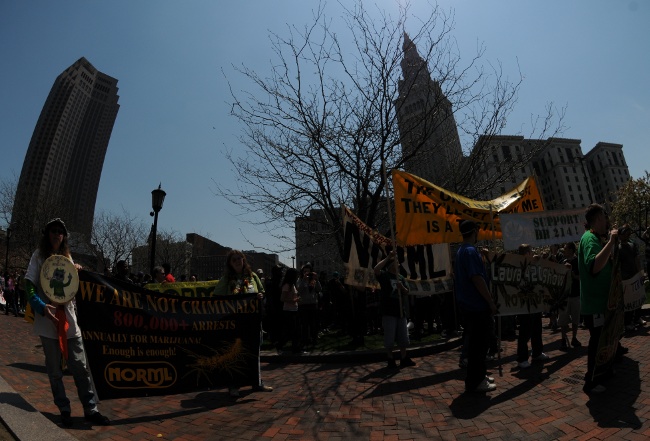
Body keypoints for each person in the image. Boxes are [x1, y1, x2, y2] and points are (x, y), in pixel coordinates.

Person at [24, 218, 109, 427]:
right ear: (47, 234)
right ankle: (64, 409)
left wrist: (76, 269)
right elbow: (28, 283)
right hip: (47, 321)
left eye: (60, 231)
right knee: (54, 371)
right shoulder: (39, 255)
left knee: (80, 367)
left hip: (69, 321)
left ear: (64, 237)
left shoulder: (67, 257)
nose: (56, 234)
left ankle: (91, 409)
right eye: (53, 231)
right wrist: (41, 306)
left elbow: (72, 285)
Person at [213, 249, 273, 397]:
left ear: (244, 260)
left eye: (240, 258)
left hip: (253, 320)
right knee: (236, 351)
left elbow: (262, 292)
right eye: (234, 259)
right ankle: (234, 385)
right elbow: (216, 296)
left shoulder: (252, 276)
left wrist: (259, 295)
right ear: (230, 263)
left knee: (254, 350)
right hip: (236, 321)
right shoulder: (227, 279)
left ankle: (256, 382)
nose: (238, 261)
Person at [578, 204, 618, 395]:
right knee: (596, 342)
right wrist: (610, 243)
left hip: (602, 303)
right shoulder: (589, 238)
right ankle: (591, 381)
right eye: (604, 216)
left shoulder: (595, 238)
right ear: (598, 218)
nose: (607, 220)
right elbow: (594, 266)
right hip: (594, 305)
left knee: (604, 339)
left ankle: (603, 372)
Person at [454, 220, 497, 392]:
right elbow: (477, 279)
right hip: (476, 306)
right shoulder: (470, 251)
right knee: (479, 344)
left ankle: (479, 374)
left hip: (468, 306)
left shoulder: (461, 250)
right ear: (474, 231)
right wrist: (490, 301)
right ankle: (476, 381)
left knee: (476, 344)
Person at [374, 250, 416, 369]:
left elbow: (407, 291)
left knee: (403, 336)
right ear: (391, 265)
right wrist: (388, 257)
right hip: (388, 311)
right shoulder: (385, 275)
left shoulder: (401, 277)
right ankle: (390, 359)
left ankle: (404, 358)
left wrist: (401, 287)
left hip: (400, 311)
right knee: (390, 336)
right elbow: (376, 270)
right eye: (396, 263)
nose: (398, 264)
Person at [516, 244, 549, 369]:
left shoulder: (533, 263)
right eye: (530, 252)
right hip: (525, 304)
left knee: (536, 329)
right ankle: (522, 358)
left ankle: (537, 352)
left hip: (535, 303)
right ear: (526, 253)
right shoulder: (518, 264)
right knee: (525, 331)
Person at [618, 225, 644, 330]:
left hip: (634, 275)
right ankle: (628, 322)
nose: (626, 234)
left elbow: (636, 259)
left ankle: (637, 317)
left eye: (627, 232)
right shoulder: (618, 248)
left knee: (637, 297)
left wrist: (640, 273)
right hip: (625, 278)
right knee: (628, 301)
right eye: (624, 232)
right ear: (619, 235)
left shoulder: (632, 245)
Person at [559, 242, 582, 349]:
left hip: (575, 294)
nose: (564, 250)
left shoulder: (577, 261)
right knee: (563, 318)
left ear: (571, 250)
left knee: (575, 318)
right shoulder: (562, 261)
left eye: (566, 249)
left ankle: (574, 337)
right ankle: (563, 339)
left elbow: (579, 277)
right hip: (565, 295)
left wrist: (571, 271)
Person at [276, 267, 301, 354]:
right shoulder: (287, 285)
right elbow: (282, 298)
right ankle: (280, 345)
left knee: (295, 330)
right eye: (296, 274)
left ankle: (296, 348)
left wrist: (297, 298)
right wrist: (294, 300)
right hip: (288, 310)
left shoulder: (293, 285)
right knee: (290, 331)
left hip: (294, 309)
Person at [297, 263, 322, 350]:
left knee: (313, 324)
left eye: (308, 271)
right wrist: (304, 280)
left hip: (313, 304)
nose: (307, 273)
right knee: (304, 324)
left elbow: (319, 289)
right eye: (305, 271)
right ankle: (304, 340)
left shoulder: (313, 280)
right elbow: (298, 290)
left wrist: (317, 279)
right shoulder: (300, 279)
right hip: (303, 305)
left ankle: (314, 340)